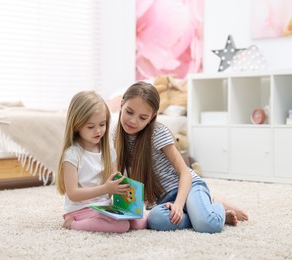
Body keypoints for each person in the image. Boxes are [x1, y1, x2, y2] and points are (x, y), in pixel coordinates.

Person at [113, 81, 248, 233]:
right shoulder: (116, 138)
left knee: (208, 225)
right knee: (155, 220)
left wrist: (178, 204)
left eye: (143, 117)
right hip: (164, 200)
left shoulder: (157, 134)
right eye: (129, 112)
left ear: (152, 117)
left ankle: (217, 206)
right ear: (122, 104)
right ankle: (201, 211)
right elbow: (118, 178)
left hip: (188, 188)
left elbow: (185, 173)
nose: (133, 121)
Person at [56, 91, 147, 233]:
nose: (98, 131)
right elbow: (73, 193)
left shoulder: (108, 151)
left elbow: (114, 183)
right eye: (91, 127)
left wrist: (125, 196)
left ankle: (103, 218)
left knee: (140, 222)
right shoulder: (73, 154)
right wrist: (106, 189)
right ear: (76, 125)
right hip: (80, 209)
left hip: (104, 205)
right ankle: (72, 224)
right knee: (121, 226)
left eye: (102, 124)